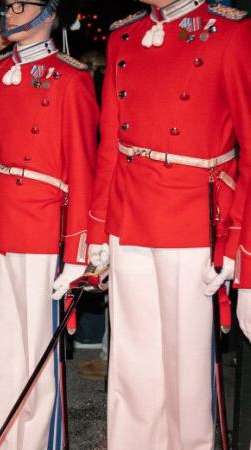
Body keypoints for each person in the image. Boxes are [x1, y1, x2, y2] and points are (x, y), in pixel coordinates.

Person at [87, 1, 251, 449]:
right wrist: (98, 230)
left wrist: (239, 244)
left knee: (186, 365)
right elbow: (110, 145)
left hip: (192, 213)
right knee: (131, 359)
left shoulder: (230, 32)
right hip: (129, 211)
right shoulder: (123, 35)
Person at [0, 0, 97, 447]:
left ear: (49, 13)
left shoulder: (71, 78)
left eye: (20, 5)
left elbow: (82, 171)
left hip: (42, 225)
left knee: (36, 351)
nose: (10, 13)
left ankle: (36, 442)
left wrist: (78, 252)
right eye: (6, 6)